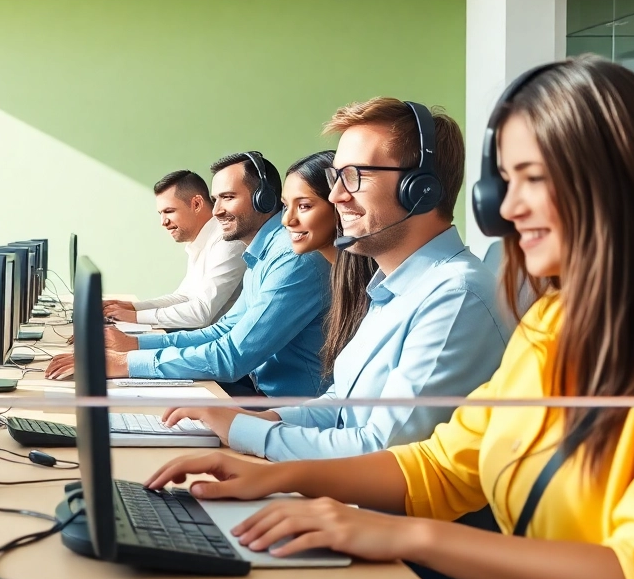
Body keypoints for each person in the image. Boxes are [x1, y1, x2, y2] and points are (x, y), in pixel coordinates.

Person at [146, 56, 634, 579]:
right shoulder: (554, 326)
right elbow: (440, 466)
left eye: (532, 180)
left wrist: (409, 535)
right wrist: (270, 474)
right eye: (504, 182)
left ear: (618, 184)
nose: (507, 208)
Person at [163, 100, 512, 462]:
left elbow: (380, 452)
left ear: (420, 188)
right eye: (336, 178)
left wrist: (243, 433)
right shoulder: (391, 287)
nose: (336, 196)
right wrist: (254, 420)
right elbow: (342, 403)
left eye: (355, 176)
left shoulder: (456, 297)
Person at [47, 151, 332, 398]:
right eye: (215, 199)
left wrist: (126, 362)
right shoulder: (261, 254)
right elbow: (223, 330)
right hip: (258, 389)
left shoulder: (292, 258)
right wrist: (134, 345)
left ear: (264, 200)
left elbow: (232, 355)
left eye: (228, 198)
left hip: (287, 407)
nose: (217, 210)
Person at [103, 169, 246, 329]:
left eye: (169, 211)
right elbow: (185, 297)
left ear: (197, 204)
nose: (163, 222)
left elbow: (201, 313)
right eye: (160, 213)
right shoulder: (201, 241)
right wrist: (134, 308)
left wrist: (135, 317)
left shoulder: (226, 241)